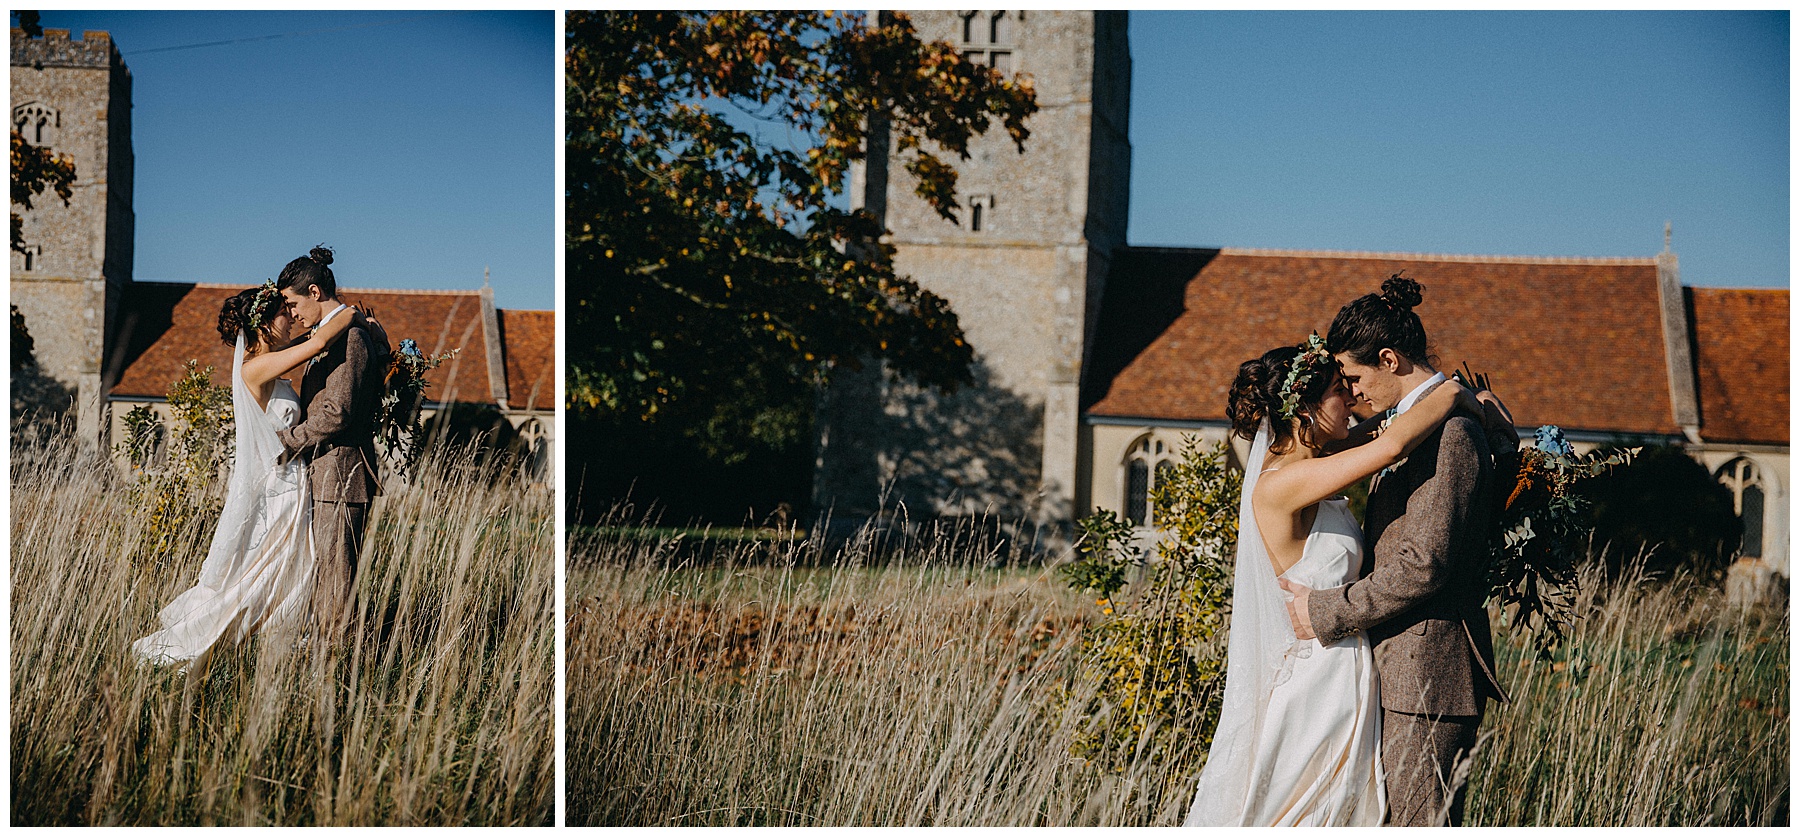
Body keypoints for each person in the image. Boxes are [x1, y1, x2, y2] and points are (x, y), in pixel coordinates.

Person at [1184, 326, 1497, 826]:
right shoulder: (1282, 483)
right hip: (1316, 682)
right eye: (1337, 388)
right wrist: (1453, 392)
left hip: (1346, 670)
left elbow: (1376, 431)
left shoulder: (1317, 459)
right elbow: (1391, 445)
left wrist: (1487, 417)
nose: (1351, 397)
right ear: (1304, 409)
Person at [1280, 276, 1515, 827]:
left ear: (1389, 359)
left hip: (1427, 674)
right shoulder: (1416, 425)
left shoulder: (1451, 433)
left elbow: (1424, 565)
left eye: (1356, 377)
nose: (1353, 392)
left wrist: (1323, 611)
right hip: (1404, 668)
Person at [131, 281, 368, 665]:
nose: (291, 318)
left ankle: (280, 651)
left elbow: (311, 341)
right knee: (263, 575)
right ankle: (202, 644)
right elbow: (318, 344)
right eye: (282, 313)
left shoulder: (271, 360)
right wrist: (351, 315)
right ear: (262, 323)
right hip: (276, 488)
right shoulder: (254, 369)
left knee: (287, 572)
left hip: (291, 484)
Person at [274, 246, 391, 644]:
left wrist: (289, 441)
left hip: (341, 478)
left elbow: (337, 411)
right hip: (326, 476)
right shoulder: (331, 335)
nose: (291, 313)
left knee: (337, 587)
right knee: (325, 577)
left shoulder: (351, 337)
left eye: (292, 303)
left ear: (314, 292)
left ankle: (339, 670)